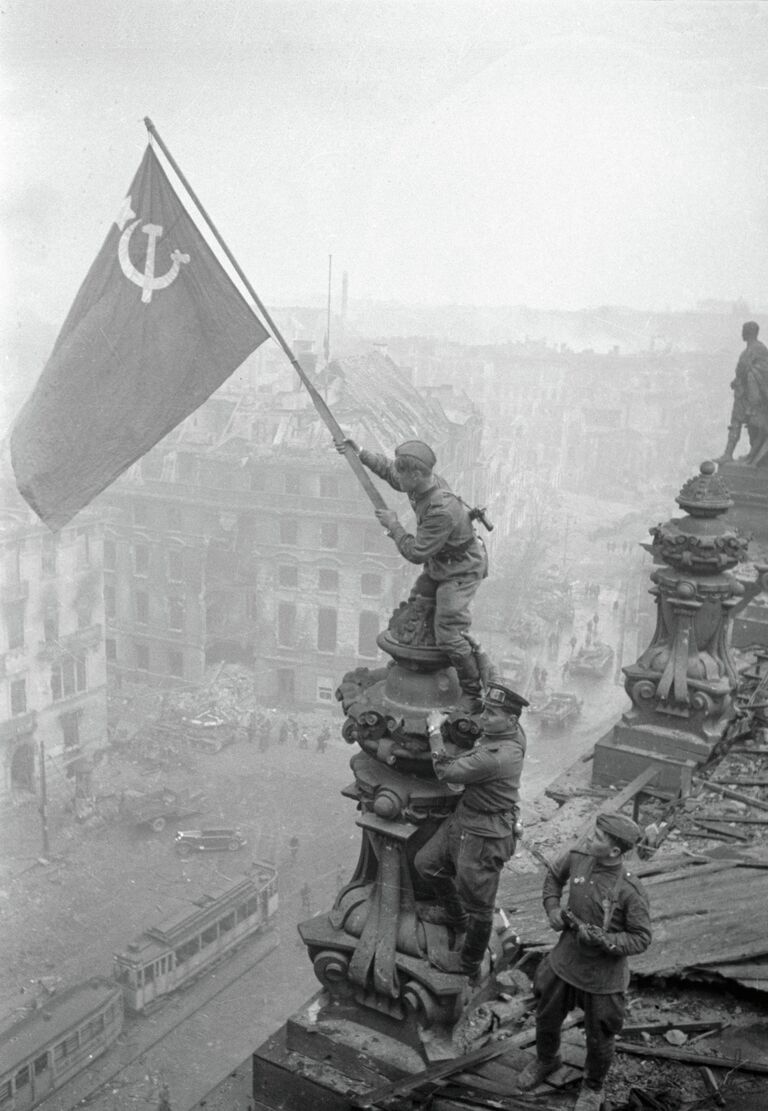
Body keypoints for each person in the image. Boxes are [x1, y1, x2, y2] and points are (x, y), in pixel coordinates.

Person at [336, 437, 488, 709]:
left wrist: (394, 525)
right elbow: (390, 473)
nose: (397, 477)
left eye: (403, 473)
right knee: (417, 604)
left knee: (448, 632)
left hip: (461, 571)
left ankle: (472, 689)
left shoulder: (441, 509)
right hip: (443, 564)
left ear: (416, 475)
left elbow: (416, 553)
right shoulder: (421, 484)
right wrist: (360, 452)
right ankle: (411, 657)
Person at [517, 813, 651, 1111]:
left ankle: (593, 1086)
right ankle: (547, 1060)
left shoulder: (630, 890)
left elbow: (641, 938)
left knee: (600, 1035)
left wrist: (606, 940)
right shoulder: (579, 857)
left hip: (603, 975)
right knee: (546, 1015)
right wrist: (552, 908)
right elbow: (553, 877)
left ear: (615, 851)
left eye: (599, 838)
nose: (591, 838)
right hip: (566, 959)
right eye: (594, 833)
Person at [413, 680, 528, 979]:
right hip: (467, 817)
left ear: (511, 720)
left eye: (492, 715)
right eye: (485, 711)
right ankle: (455, 914)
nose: (484, 719)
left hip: (484, 835)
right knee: (427, 864)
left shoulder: (497, 756)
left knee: (480, 907)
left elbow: (446, 771)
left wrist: (434, 728)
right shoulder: (514, 733)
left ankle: (468, 963)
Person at [719, 321, 768, 464]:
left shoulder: (759, 349)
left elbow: (762, 370)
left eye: (743, 330)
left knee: (754, 426)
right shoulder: (748, 350)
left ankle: (755, 458)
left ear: (749, 332)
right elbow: (742, 371)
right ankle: (729, 454)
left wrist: (748, 373)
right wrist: (737, 380)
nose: (742, 333)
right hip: (743, 394)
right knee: (737, 422)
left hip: (753, 396)